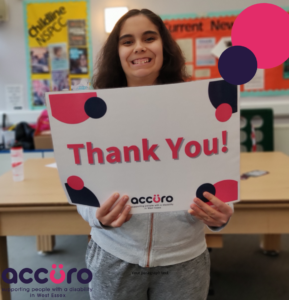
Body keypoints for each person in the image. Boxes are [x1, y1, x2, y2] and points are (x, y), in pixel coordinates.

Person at [77, 8, 233, 300]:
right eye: (127, 41)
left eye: (150, 38)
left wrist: (222, 213)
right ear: (117, 52)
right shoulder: (94, 112)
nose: (139, 47)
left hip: (184, 255)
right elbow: (83, 184)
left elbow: (220, 172)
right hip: (115, 253)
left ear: (164, 46)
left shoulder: (200, 107)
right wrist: (96, 216)